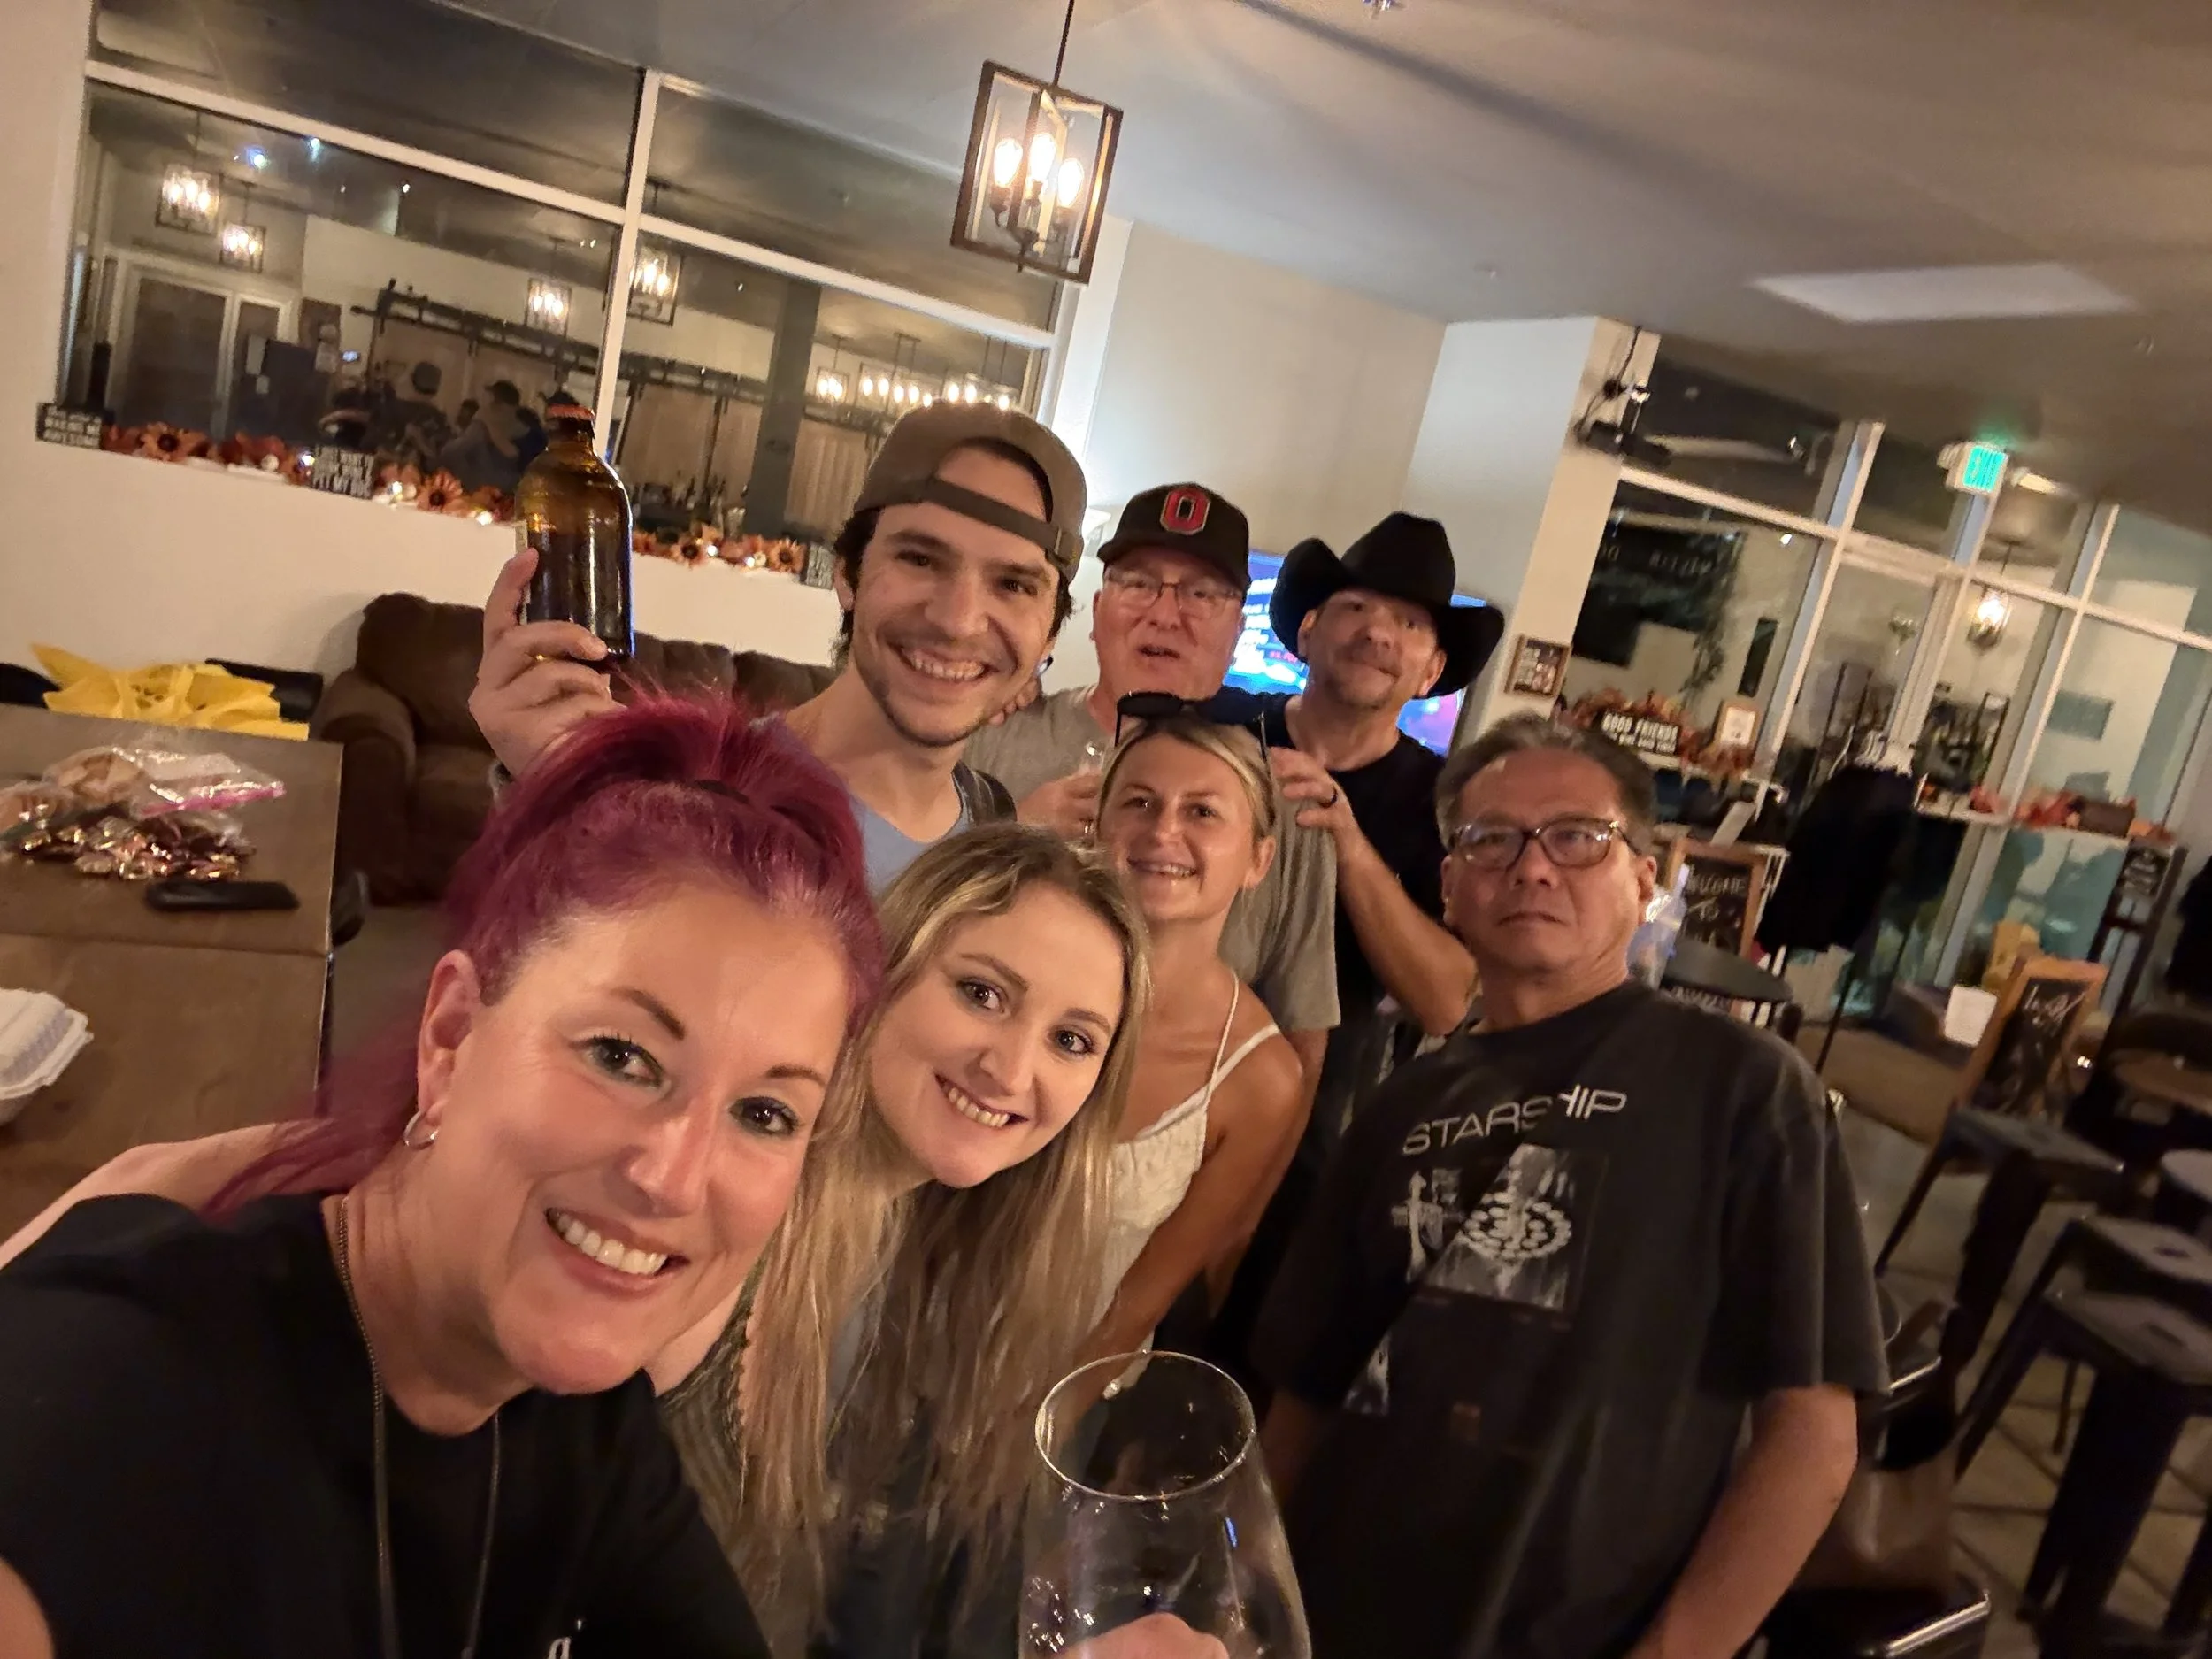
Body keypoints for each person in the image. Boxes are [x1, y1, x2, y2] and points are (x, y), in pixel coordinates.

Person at [0, 695, 885, 1659]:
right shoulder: (121, 1380)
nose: (674, 1178)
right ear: (452, 1035)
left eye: (765, 1113)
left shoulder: (583, 1427)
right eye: (621, 1057)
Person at [1255, 713, 1884, 1659]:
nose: (1533, 867)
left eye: (1578, 838)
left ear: (1644, 878)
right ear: (1451, 888)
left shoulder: (1742, 1086)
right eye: (1490, 839)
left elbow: (1811, 1429)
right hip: (1341, 1605)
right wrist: (1249, 1592)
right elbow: (1307, 1390)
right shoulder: (1401, 1104)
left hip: (1581, 1626)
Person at [470, 403, 1088, 889]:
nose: (958, 620)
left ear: (1050, 633)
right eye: (921, 558)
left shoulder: (991, 840)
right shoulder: (703, 801)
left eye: (1013, 584)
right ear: (846, 573)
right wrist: (547, 793)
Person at [1209, 514, 1503, 1389]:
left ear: (1433, 669)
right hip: (1149, 1056)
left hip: (1313, 1110)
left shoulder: (1442, 804)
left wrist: (1344, 838)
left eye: (1412, 624)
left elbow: (1448, 1001)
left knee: (1240, 1356)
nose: (1381, 631)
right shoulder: (1219, 729)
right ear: (1306, 629)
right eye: (1358, 606)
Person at [964, 482, 1341, 1079]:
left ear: (1237, 631)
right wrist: (1017, 834)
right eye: (1138, 584)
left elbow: (1300, 1037)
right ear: (1096, 613)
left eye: (1200, 593)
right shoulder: (989, 737)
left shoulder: (1285, 802)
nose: (1165, 615)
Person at [1077, 711, 1302, 1368]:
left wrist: (1039, 1427)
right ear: (1099, 826)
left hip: (1066, 1387)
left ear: (1258, 858)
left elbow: (1145, 1300)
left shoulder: (1261, 1078)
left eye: (1202, 812)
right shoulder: (1019, 975)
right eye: (1140, 802)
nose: (1163, 830)